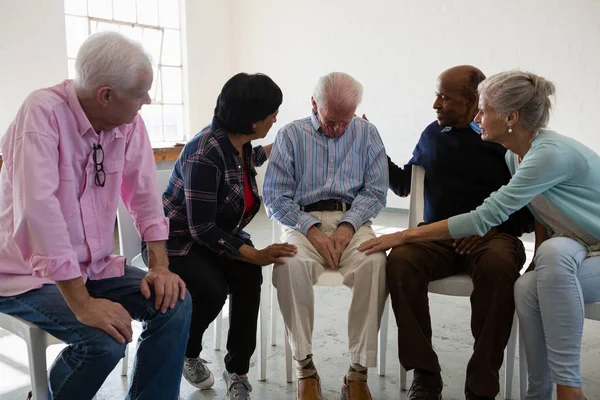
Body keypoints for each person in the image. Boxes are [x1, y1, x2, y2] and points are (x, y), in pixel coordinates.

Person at [359, 70, 600, 400]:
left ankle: (544, 389)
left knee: (526, 265)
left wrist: (406, 235)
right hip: (571, 243)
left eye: (484, 110)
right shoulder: (513, 154)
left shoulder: (542, 154)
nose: (478, 117)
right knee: (528, 283)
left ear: (510, 117)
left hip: (560, 245)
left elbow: (497, 215)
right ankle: (530, 391)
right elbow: (543, 211)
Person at [0, 31, 191, 400]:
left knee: (175, 304)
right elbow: (40, 214)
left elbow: (145, 194)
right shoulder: (41, 114)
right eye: (140, 93)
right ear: (106, 95)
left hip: (92, 267)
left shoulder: (127, 122)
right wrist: (84, 305)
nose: (147, 101)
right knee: (102, 343)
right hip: (25, 276)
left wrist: (160, 267)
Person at [383, 65, 533, 400]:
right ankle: (425, 374)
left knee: (498, 267)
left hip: (493, 237)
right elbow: (407, 184)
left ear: (471, 102)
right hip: (437, 237)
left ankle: (482, 385)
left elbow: (526, 213)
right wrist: (373, 149)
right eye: (436, 95)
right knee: (401, 260)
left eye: (444, 98)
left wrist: (487, 226)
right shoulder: (432, 134)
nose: (435, 104)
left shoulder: (504, 142)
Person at [149, 73, 296, 400]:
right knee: (213, 288)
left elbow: (249, 160)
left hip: (216, 234)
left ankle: (238, 370)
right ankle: (186, 352)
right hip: (179, 240)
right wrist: (254, 253)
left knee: (248, 277)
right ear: (252, 119)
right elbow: (200, 227)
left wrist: (280, 144)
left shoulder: (237, 144)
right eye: (272, 112)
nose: (275, 118)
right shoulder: (204, 152)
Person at [263, 72, 389, 400]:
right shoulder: (290, 135)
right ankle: (305, 368)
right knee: (288, 266)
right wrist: (313, 231)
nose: (339, 129)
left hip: (354, 220)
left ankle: (357, 373)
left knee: (375, 262)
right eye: (332, 120)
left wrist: (348, 226)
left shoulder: (367, 134)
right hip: (302, 222)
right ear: (314, 103)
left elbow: (375, 192)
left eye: (346, 121)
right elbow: (276, 197)